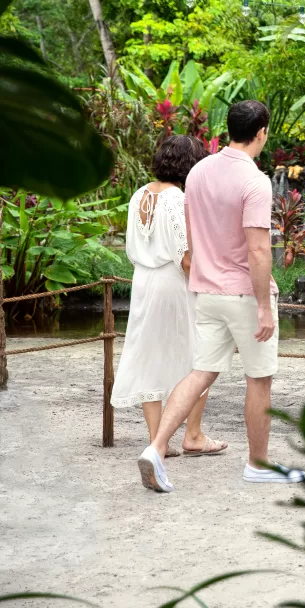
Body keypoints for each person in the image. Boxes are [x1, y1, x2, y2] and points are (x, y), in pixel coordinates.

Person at [136, 100, 304, 492]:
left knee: (200, 372)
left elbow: (192, 236)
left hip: (205, 291)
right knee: (259, 378)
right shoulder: (255, 181)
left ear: (229, 128)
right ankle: (258, 463)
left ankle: (157, 448)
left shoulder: (197, 173)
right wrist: (264, 305)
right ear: (261, 133)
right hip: (243, 294)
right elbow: (259, 250)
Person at [111, 135, 226, 457]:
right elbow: (185, 258)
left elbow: (133, 246)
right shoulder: (178, 198)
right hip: (173, 283)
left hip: (143, 281)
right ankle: (193, 434)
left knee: (150, 355)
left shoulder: (138, 195)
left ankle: (156, 440)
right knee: (199, 355)